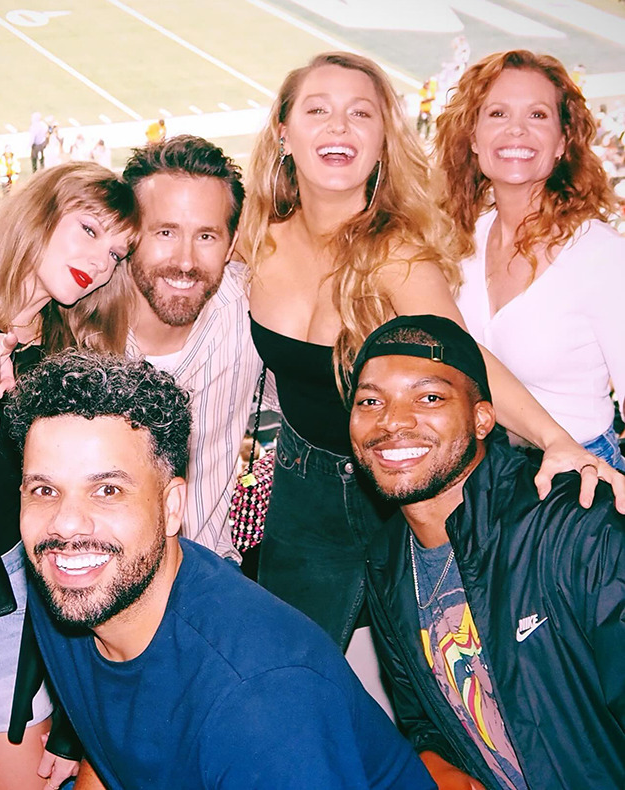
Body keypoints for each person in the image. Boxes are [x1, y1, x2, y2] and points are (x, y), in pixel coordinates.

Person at [239, 50, 625, 658]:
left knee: (455, 674)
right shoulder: (251, 234)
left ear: (383, 142)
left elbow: (465, 358)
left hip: (412, 480)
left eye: (360, 113)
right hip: (302, 487)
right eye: (318, 110)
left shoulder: (397, 252)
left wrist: (556, 439)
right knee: (284, 664)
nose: (339, 126)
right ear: (283, 132)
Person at [7, 347, 434, 790]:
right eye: (44, 490)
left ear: (171, 508)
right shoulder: (71, 584)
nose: (66, 524)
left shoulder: (261, 704)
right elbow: (113, 742)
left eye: (108, 490)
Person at [0, 161, 138, 790]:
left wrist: (76, 711)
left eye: (117, 253)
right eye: (90, 230)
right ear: (40, 213)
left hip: (0, 627)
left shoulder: (71, 362)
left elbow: (87, 537)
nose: (101, 262)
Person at [350, 314, 625, 790]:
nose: (392, 420)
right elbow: (421, 719)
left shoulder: (576, 528)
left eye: (429, 397)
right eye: (370, 401)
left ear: (481, 419)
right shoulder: (387, 561)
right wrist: (438, 766)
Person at [436, 50, 625, 470]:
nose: (516, 129)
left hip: (580, 475)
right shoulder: (459, 238)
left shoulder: (602, 253)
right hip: (482, 473)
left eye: (537, 115)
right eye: (497, 113)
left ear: (562, 141)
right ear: (473, 138)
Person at [121, 136, 262, 561]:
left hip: (207, 572)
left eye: (206, 236)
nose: (185, 261)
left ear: (231, 244)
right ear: (129, 234)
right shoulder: (72, 327)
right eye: (165, 232)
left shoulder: (254, 312)